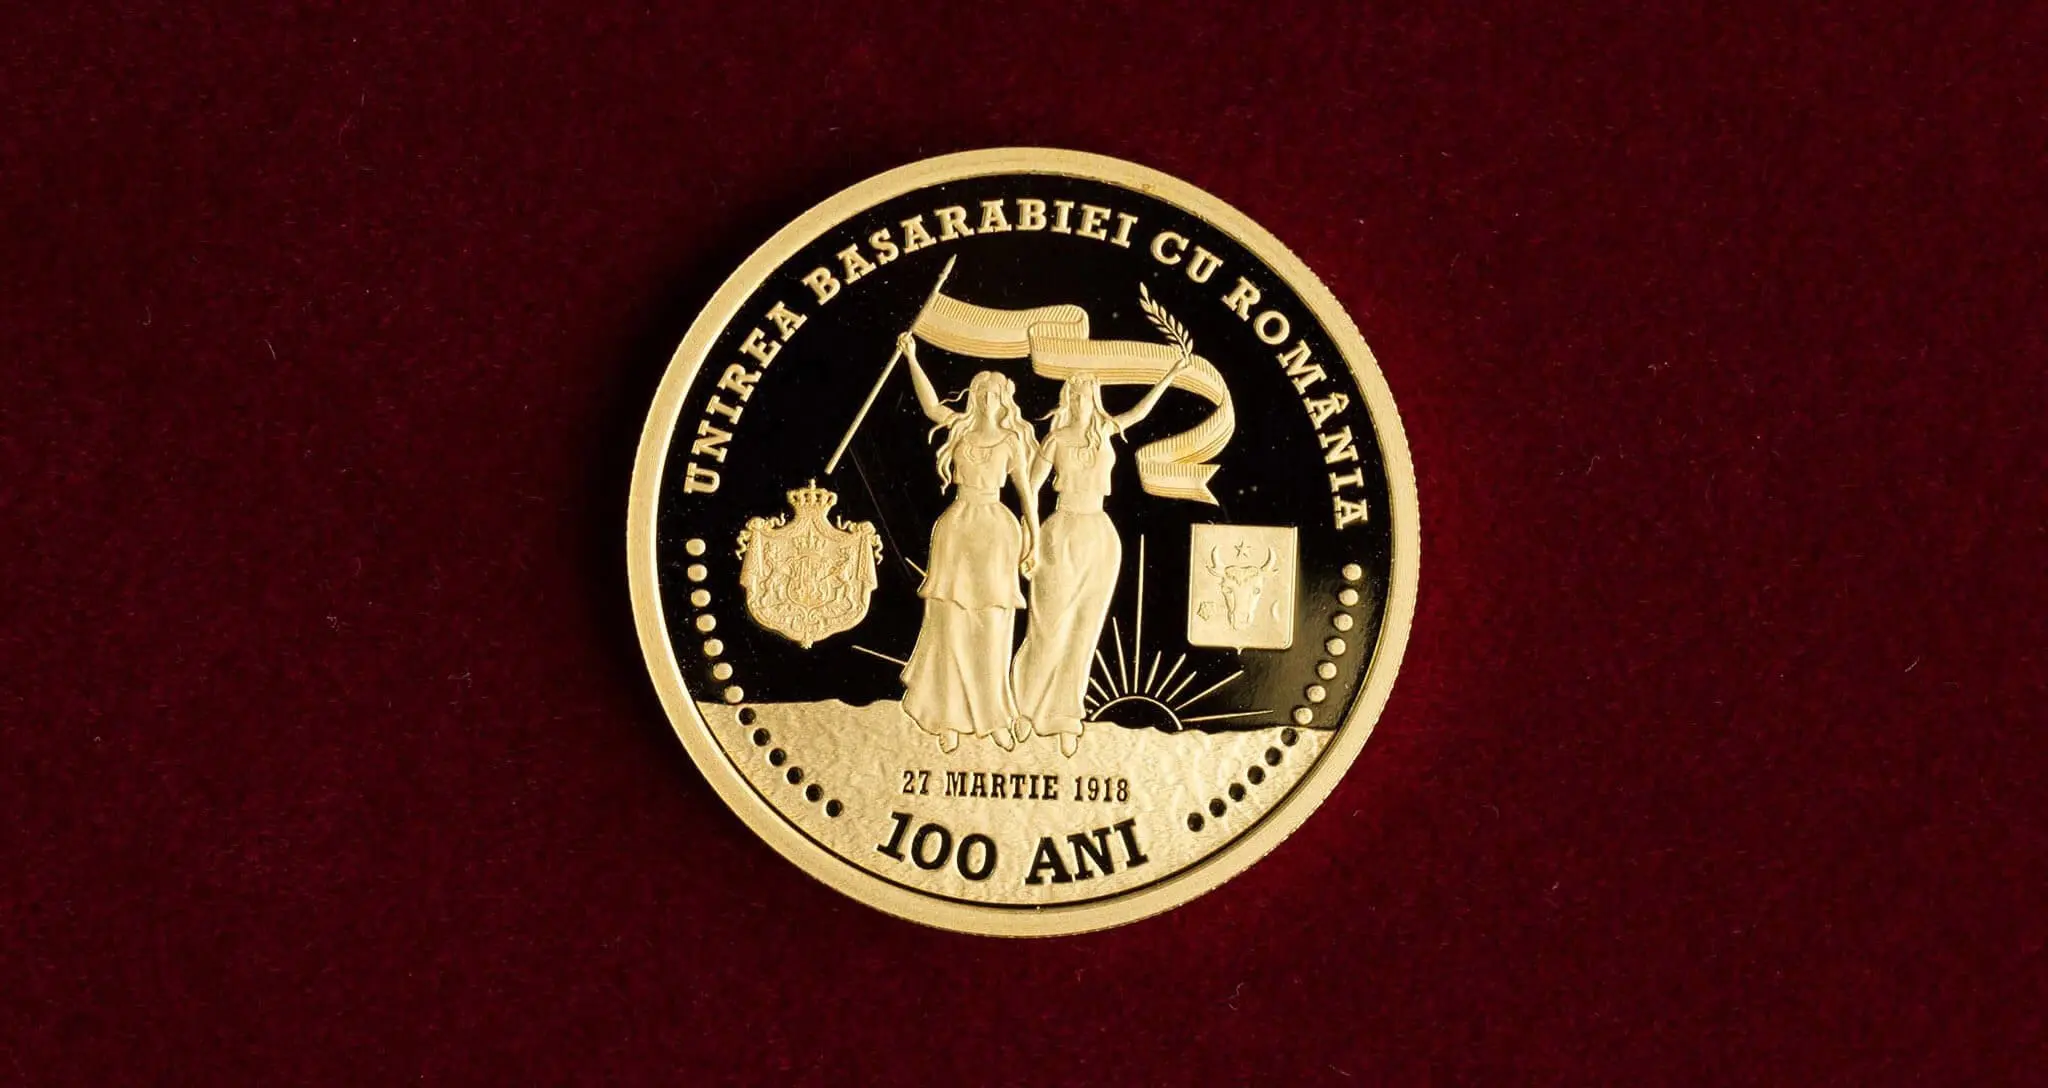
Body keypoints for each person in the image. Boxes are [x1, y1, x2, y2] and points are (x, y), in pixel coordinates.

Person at [1012, 361, 1188, 757]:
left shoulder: (1105, 431)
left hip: (1100, 534)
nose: (1080, 400)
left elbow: (1139, 413)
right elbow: (1030, 490)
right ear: (1067, 398)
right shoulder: (1055, 440)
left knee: (1083, 631)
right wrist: (1030, 538)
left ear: (1095, 398)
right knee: (1048, 626)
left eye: (1086, 394)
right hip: (1060, 532)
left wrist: (1171, 374)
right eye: (1074, 394)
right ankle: (1024, 709)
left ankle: (1065, 717)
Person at [896, 334, 1040, 753]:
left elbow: (1026, 493)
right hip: (957, 529)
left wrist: (1034, 538)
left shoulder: (1012, 441)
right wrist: (912, 357)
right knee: (949, 625)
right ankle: (947, 717)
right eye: (981, 392)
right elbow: (930, 406)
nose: (986, 399)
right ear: (974, 396)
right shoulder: (959, 429)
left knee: (992, 627)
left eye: (994, 394)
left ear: (1004, 400)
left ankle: (994, 716)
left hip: (997, 531)